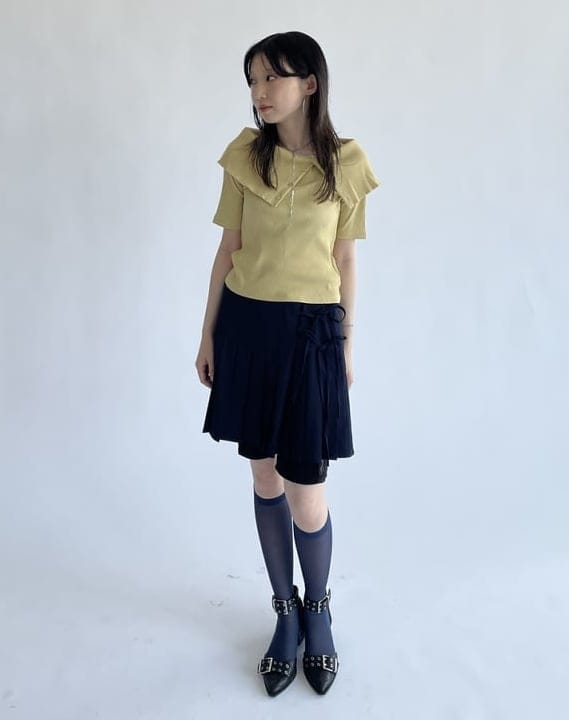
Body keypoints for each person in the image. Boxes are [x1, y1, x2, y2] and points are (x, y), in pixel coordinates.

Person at [195, 30, 379, 697]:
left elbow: (346, 258)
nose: (260, 92)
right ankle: (284, 611)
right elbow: (229, 250)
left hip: (312, 335)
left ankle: (317, 608)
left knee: (307, 490)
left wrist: (347, 344)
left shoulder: (346, 163)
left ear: (310, 83)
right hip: (248, 327)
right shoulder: (246, 158)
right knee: (265, 474)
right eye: (252, 80)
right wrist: (208, 335)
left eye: (272, 77)